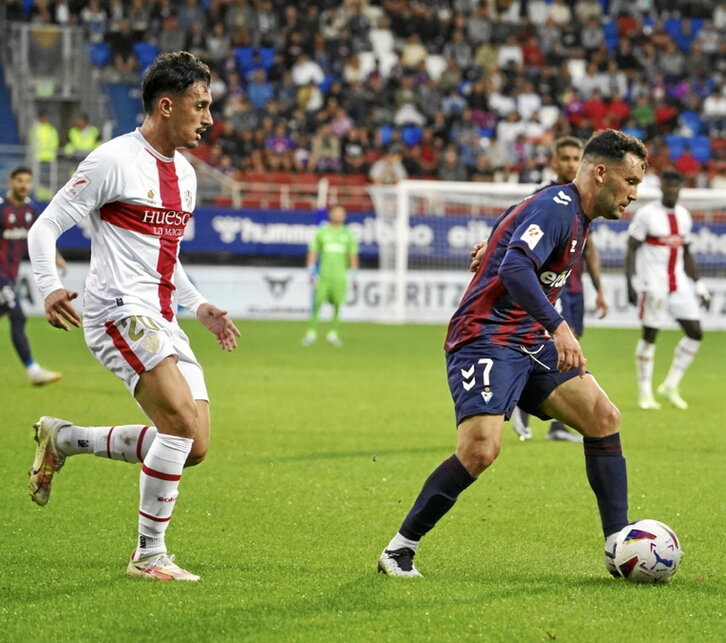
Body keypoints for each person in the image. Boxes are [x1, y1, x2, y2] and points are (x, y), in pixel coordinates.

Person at [377, 129, 648, 578]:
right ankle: (399, 549)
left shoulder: (568, 209)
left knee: (603, 417)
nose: (634, 195)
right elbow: (516, 265)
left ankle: (619, 543)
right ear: (601, 173)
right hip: (485, 336)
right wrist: (559, 326)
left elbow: (513, 223)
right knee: (481, 450)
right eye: (631, 182)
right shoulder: (559, 209)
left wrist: (493, 243)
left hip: (527, 339)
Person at [26, 51, 240, 582]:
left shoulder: (186, 175)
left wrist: (199, 306)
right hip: (117, 312)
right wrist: (50, 288)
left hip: (164, 316)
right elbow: (44, 228)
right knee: (180, 425)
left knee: (194, 445)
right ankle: (148, 554)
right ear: (166, 106)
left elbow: (166, 256)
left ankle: (64, 439)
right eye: (201, 105)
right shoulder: (111, 161)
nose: (209, 118)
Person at [511, 136, 609, 442]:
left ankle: (557, 426)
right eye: (564, 158)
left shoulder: (587, 201)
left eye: (574, 158)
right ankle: (521, 408)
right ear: (554, 162)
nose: (569, 163)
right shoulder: (544, 198)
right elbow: (516, 244)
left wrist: (599, 289)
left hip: (573, 286)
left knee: (570, 348)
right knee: (533, 345)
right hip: (544, 289)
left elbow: (589, 249)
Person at [625, 169, 710, 410]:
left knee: (695, 332)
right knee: (650, 336)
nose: (672, 190)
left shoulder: (684, 216)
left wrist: (699, 285)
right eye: (668, 186)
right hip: (653, 285)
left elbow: (687, 252)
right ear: (662, 187)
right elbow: (631, 248)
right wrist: (630, 283)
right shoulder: (647, 215)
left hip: (679, 284)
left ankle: (671, 385)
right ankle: (645, 394)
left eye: (676, 186)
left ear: (680, 187)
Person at [1, 166, 65, 385]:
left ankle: (33, 371)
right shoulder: (1, 208)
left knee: (12, 315)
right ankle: (33, 370)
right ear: (11, 182)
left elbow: (41, 236)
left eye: (27, 181)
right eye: (19, 180)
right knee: (18, 315)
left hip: (10, 274)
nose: (23, 185)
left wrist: (55, 257)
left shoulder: (30, 210)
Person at [302, 204, 359, 347]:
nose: (338, 215)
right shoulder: (322, 232)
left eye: (341, 213)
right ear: (331, 214)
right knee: (317, 304)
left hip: (340, 277)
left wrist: (353, 274)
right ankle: (311, 333)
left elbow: (353, 255)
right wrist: (311, 269)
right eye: (336, 212)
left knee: (338, 306)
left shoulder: (348, 234)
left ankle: (333, 334)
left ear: (345, 216)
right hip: (323, 277)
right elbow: (313, 252)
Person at [28, 110, 60, 201]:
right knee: (39, 177)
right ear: (40, 118)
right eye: (43, 117)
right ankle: (39, 195)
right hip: (38, 157)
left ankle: (47, 195)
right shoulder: (35, 129)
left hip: (49, 157)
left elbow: (55, 141)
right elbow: (32, 141)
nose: (44, 119)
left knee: (48, 178)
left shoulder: (51, 129)